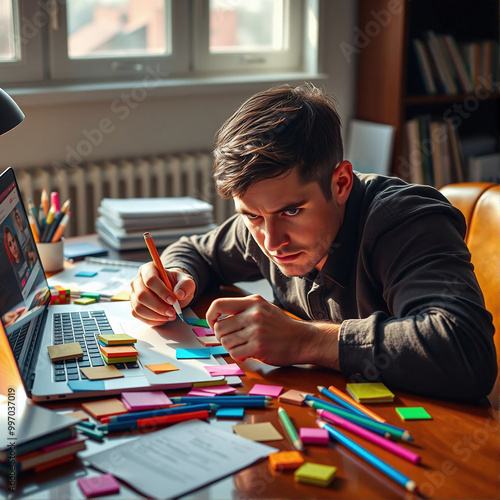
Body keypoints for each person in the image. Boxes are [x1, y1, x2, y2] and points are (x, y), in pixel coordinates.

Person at [130, 83, 497, 402]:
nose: (271, 242)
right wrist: (172, 278)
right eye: (252, 216)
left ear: (340, 183)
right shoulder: (264, 220)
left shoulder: (407, 221)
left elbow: (465, 350)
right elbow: (196, 250)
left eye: (292, 212)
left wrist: (307, 340)